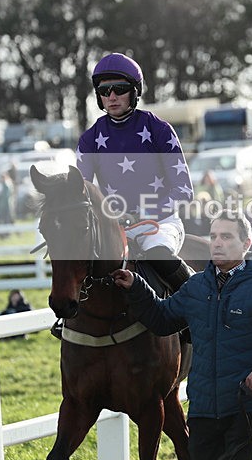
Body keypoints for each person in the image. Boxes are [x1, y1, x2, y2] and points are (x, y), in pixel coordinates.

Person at [111, 210, 252, 460]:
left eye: (226, 236)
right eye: (214, 235)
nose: (217, 242)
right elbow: (162, 320)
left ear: (246, 244)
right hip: (201, 412)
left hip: (244, 409)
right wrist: (137, 287)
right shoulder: (196, 287)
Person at [77, 52, 194, 292]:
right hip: (115, 228)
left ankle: (200, 304)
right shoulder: (89, 139)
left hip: (160, 224)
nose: (111, 96)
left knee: (157, 254)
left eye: (119, 89)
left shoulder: (159, 129)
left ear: (134, 91)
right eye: (104, 91)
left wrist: (143, 212)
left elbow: (184, 190)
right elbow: (81, 192)